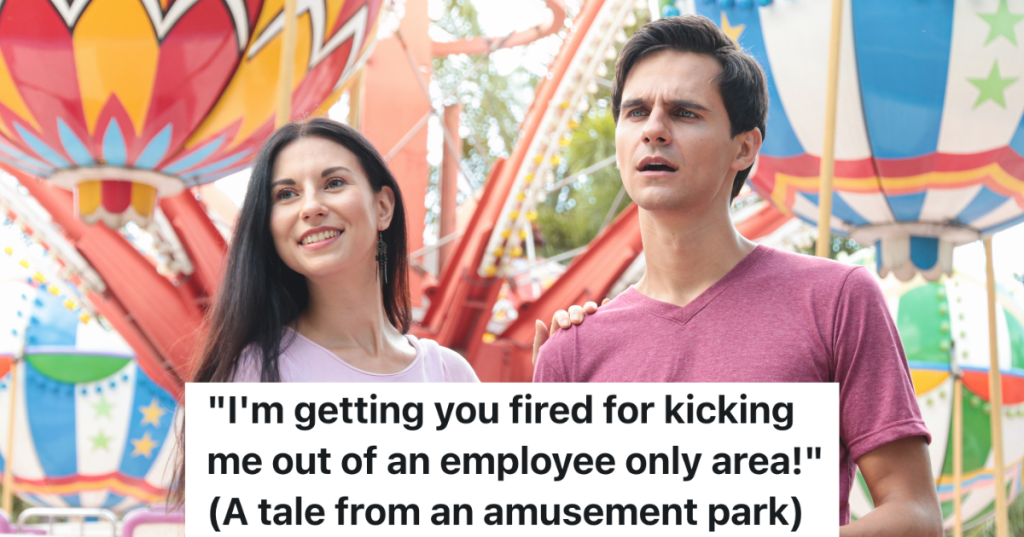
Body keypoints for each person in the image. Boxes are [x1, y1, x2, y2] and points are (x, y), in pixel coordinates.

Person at [532, 16, 942, 536]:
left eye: (684, 112)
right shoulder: (573, 351)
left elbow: (916, 516)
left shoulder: (836, 299)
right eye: (636, 111)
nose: (654, 128)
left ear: (744, 147)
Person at [190, 118, 478, 383]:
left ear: (383, 207)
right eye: (286, 194)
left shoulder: (449, 374)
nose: (311, 207)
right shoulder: (252, 375)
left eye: (334, 183)